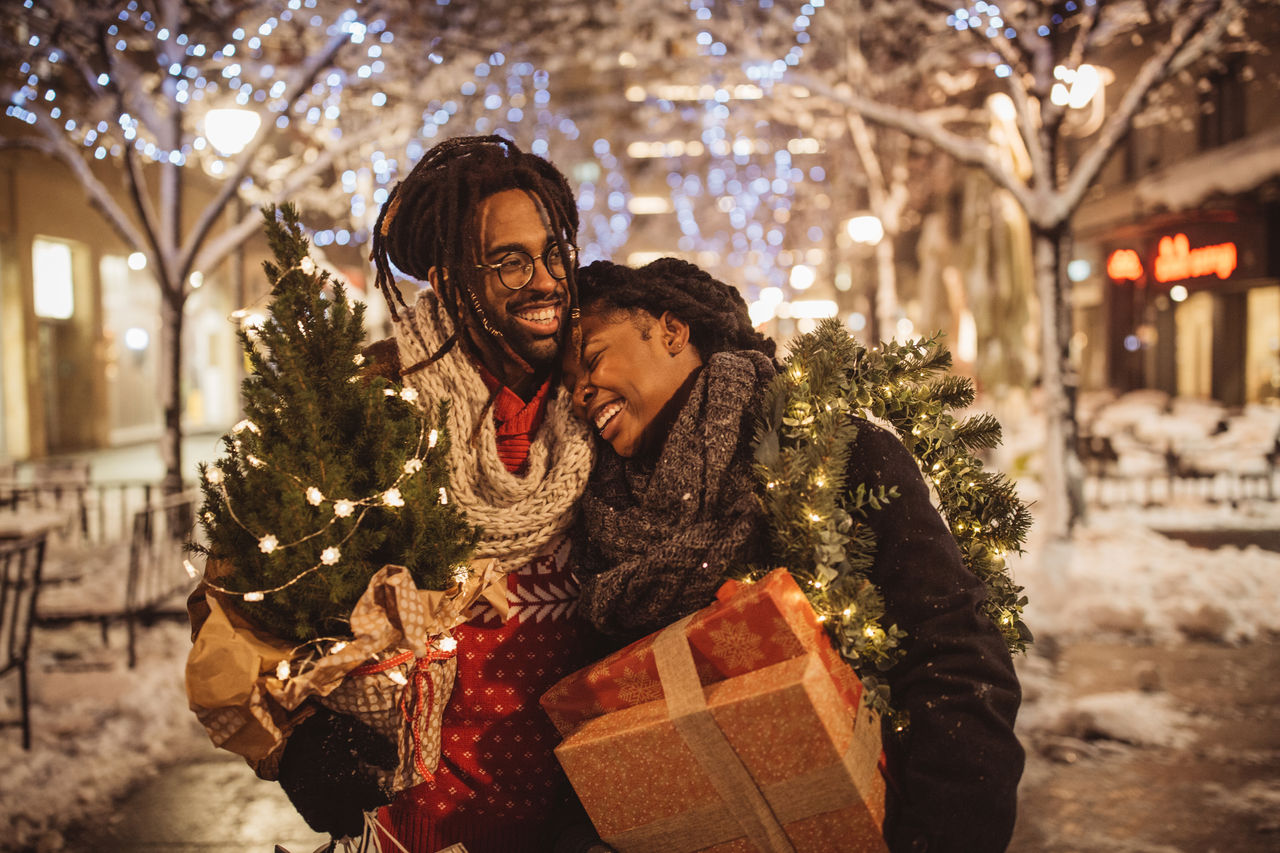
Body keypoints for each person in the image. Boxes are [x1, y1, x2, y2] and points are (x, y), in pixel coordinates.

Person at [200, 135, 601, 853]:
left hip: (593, 815)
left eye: (554, 252)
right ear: (447, 280)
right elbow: (234, 603)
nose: (544, 279)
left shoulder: (599, 401)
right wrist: (292, 745)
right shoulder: (369, 407)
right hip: (421, 825)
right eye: (509, 260)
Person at [564, 257, 1024, 853]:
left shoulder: (830, 452)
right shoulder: (603, 533)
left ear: (672, 331)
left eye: (594, 358)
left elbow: (957, 663)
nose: (580, 393)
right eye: (569, 383)